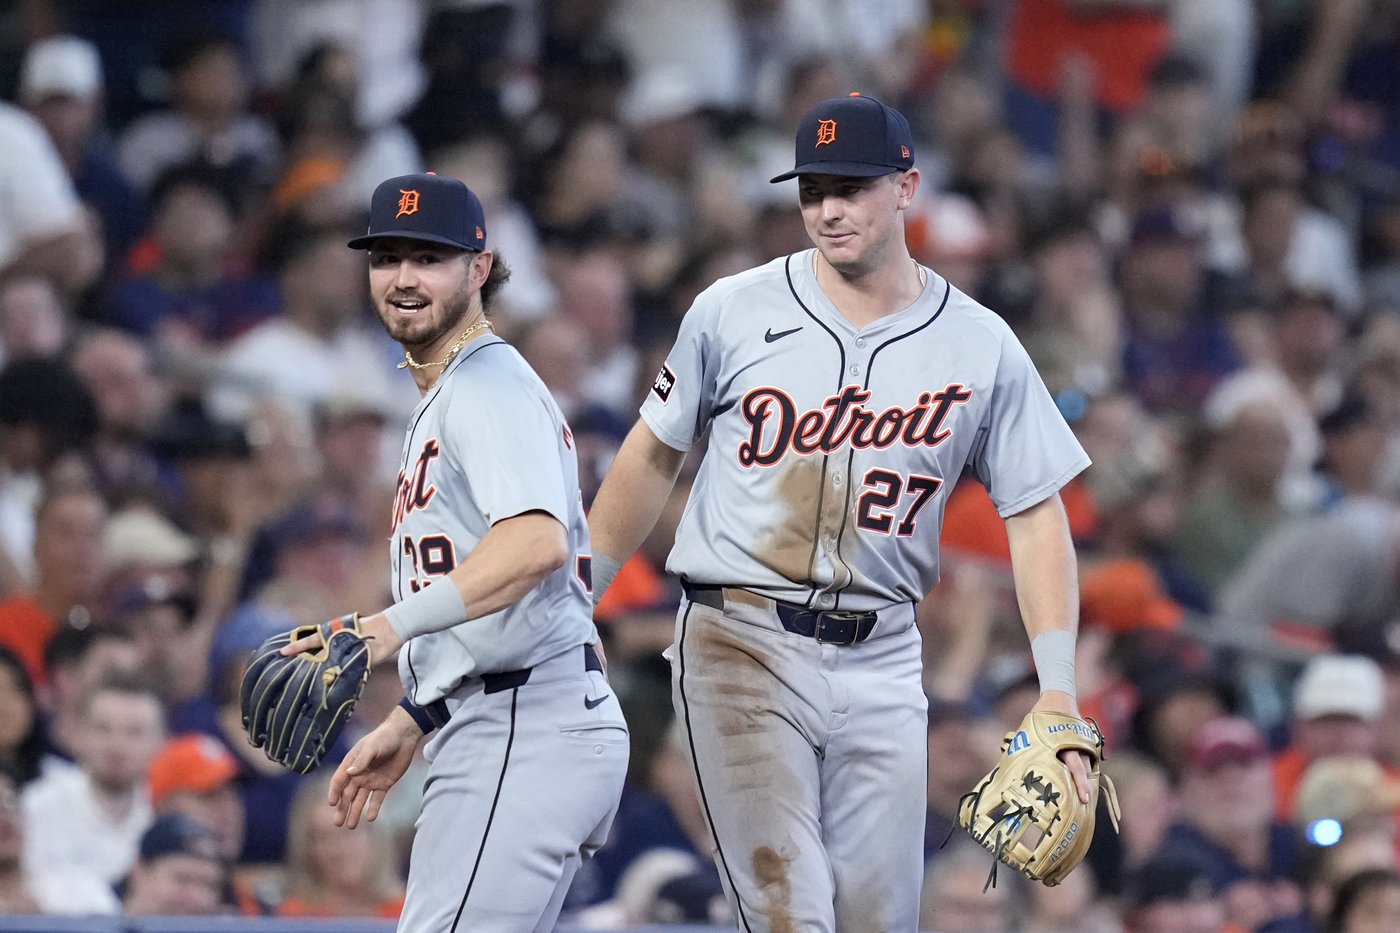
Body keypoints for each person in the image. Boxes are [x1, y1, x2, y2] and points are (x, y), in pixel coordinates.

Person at [586, 93, 1093, 932]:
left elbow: (1037, 515)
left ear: (907, 188)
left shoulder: (980, 342)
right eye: (813, 189)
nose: (829, 209)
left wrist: (1059, 688)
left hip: (884, 653)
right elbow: (651, 452)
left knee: (877, 919)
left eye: (852, 188)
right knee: (790, 912)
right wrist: (580, 598)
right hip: (738, 634)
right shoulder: (733, 308)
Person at [282, 172, 628, 931]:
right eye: (387, 258)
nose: (404, 277)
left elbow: (536, 544)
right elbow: (504, 598)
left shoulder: (486, 386)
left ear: (479, 269)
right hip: (505, 714)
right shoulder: (451, 391)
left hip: (522, 725)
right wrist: (416, 714)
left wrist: (388, 626)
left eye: (429, 258)